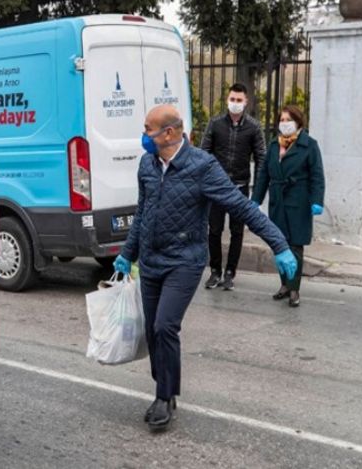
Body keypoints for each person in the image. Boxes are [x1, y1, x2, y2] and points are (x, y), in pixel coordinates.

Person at [113, 105, 297, 430]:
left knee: (165, 326)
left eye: (147, 129)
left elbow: (240, 206)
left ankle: (164, 396)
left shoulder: (202, 166)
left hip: (185, 260)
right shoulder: (147, 163)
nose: (143, 136)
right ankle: (165, 387)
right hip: (152, 261)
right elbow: (142, 212)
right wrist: (128, 254)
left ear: (169, 133)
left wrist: (279, 243)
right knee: (152, 331)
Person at [251, 106, 325, 307]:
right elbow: (264, 173)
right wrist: (256, 198)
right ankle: (284, 284)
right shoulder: (274, 144)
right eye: (281, 119)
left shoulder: (309, 145)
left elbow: (317, 176)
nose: (284, 123)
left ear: (298, 122)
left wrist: (317, 200)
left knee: (295, 246)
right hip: (278, 202)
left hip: (298, 202)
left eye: (288, 119)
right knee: (279, 244)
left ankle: (294, 289)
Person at [200, 83, 266, 290]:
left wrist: (257, 192)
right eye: (232, 99)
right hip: (217, 188)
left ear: (246, 102)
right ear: (227, 100)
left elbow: (261, 159)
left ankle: (230, 273)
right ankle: (215, 271)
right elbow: (204, 153)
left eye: (239, 100)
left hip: (240, 187)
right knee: (215, 230)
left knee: (237, 231)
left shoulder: (254, 127)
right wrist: (207, 183)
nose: (235, 104)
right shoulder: (215, 123)